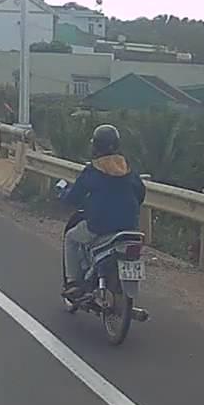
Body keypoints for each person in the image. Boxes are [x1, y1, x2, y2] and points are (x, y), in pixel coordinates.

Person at [60, 124, 146, 299]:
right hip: (129, 228)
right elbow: (140, 193)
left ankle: (73, 282)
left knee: (71, 238)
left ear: (96, 146)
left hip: (99, 227)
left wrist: (64, 195)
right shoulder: (127, 167)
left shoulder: (93, 170)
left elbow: (74, 196)